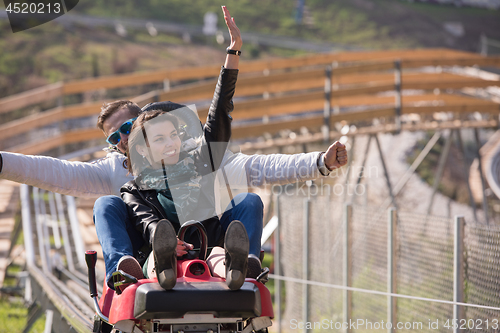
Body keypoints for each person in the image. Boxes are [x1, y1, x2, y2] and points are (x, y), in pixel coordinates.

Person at [0, 6, 348, 290]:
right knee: (107, 203)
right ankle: (126, 268)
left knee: (249, 199)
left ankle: (243, 265)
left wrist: (320, 162)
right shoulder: (119, 177)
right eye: (114, 137)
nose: (123, 139)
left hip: (203, 239)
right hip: (154, 248)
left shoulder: (198, 156)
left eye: (130, 129)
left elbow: (253, 158)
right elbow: (55, 172)